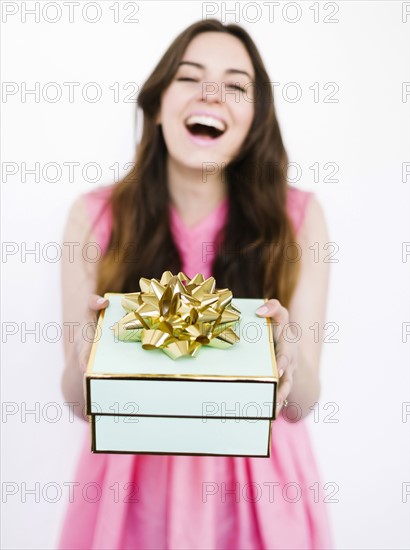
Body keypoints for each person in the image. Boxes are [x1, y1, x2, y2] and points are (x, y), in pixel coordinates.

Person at [59, 18, 334, 550]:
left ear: (254, 119)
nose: (211, 94)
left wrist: (288, 360)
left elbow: (302, 403)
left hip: (263, 499)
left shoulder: (298, 218)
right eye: (189, 78)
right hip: (129, 497)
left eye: (235, 85)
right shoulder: (93, 218)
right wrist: (83, 357)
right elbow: (77, 401)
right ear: (158, 103)